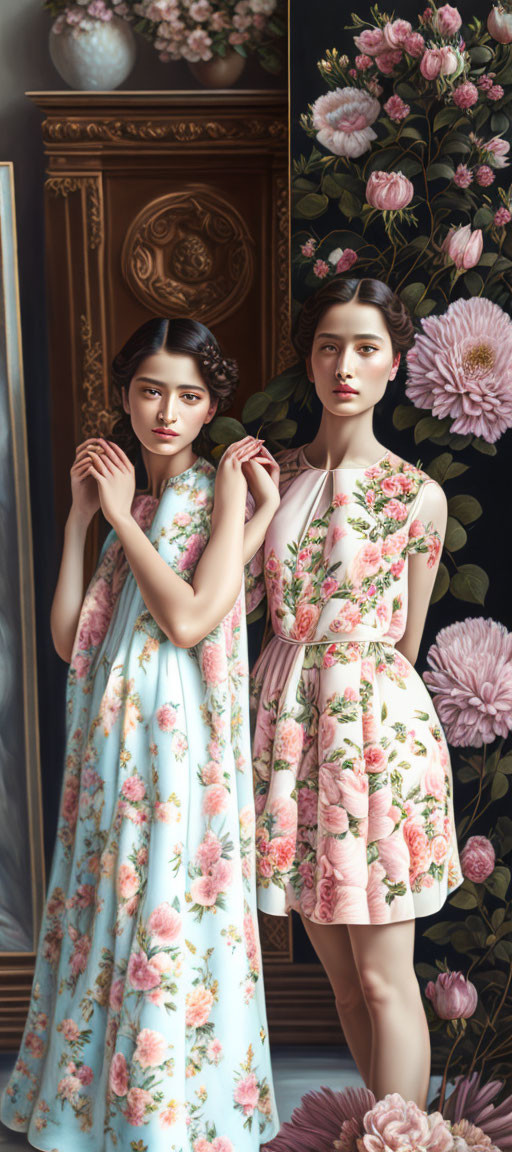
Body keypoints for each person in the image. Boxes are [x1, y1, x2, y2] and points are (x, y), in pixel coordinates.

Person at [1, 318, 280, 1151]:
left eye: (189, 396)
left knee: (159, 907)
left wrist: (128, 520)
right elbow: (67, 640)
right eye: (151, 390)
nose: (167, 410)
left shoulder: (208, 489)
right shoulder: (142, 500)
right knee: (108, 906)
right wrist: (82, 523)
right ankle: (89, 1110)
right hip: (113, 742)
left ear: (210, 408)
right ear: (124, 395)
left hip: (173, 747)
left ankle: (162, 1119)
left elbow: (194, 620)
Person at [247, 277, 463, 1110]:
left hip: (374, 728)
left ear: (394, 366)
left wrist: (348, 685)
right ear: (310, 359)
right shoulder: (275, 476)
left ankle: (405, 1138)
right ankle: (379, 1124)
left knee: (382, 978)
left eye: (366, 347)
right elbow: (240, 603)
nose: (346, 364)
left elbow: (403, 643)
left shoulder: (418, 496)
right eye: (331, 345)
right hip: (289, 727)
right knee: (340, 983)